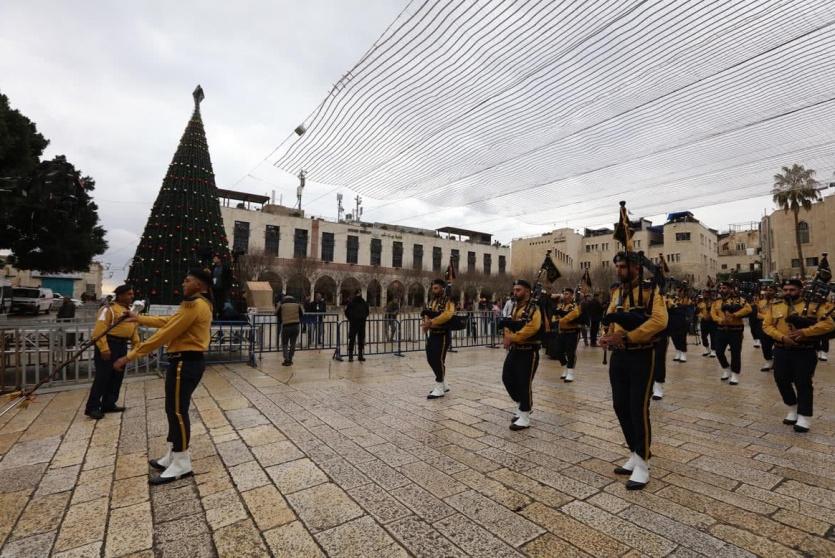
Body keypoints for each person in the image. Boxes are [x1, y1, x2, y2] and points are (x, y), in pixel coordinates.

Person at [113, 270, 213, 484]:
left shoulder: (196, 305)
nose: (183, 283)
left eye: (187, 280)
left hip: (186, 362)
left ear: (199, 284)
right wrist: (137, 318)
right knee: (172, 409)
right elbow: (168, 321)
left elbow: (165, 334)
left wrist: (128, 357)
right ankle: (172, 454)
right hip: (182, 362)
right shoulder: (193, 304)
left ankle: (182, 462)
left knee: (177, 411)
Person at [599, 252, 668, 490]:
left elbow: (659, 321)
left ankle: (643, 464)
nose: (619, 270)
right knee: (620, 405)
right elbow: (609, 317)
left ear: (637, 268)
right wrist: (606, 335)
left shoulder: (651, 291)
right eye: (617, 266)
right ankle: (635, 453)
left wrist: (628, 336)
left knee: (638, 407)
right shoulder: (617, 291)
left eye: (623, 266)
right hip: (619, 355)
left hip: (641, 353)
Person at [761, 279, 834, 432]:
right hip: (781, 349)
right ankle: (792, 407)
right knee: (781, 380)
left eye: (792, 289)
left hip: (804, 351)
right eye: (786, 289)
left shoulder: (813, 306)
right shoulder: (776, 305)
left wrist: (805, 332)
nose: (788, 292)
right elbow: (767, 325)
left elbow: (829, 324)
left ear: (800, 290)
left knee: (803, 383)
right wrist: (781, 337)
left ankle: (804, 417)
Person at [85, 285, 140, 420]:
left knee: (117, 376)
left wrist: (136, 345)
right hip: (109, 345)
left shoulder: (130, 311)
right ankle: (92, 407)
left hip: (121, 346)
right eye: (128, 294)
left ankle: (109, 403)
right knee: (103, 377)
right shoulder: (108, 309)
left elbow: (133, 329)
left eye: (132, 294)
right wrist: (104, 348)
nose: (131, 296)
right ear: (119, 295)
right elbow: (99, 330)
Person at [501, 279, 542, 430]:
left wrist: (512, 337)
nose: (515, 292)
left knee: (524, 383)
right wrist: (507, 334)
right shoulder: (516, 307)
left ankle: (525, 415)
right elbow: (509, 324)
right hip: (515, 349)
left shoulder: (534, 309)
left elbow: (532, 328)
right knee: (507, 378)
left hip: (528, 351)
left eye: (519, 290)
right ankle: (522, 404)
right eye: (515, 290)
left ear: (527, 291)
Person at [710, 281, 752, 385]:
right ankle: (726, 368)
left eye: (724, 288)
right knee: (718, 352)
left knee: (735, 353)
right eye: (721, 288)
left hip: (735, 330)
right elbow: (713, 313)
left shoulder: (738, 299)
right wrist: (719, 320)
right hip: (721, 330)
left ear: (730, 289)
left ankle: (735, 374)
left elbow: (748, 309)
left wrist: (735, 315)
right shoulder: (717, 301)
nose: (722, 290)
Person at [422, 279, 455, 398]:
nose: (433, 290)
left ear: (442, 288)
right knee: (431, 358)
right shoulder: (432, 300)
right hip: (432, 334)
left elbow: (447, 315)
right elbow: (426, 312)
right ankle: (444, 383)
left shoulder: (448, 300)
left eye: (436, 288)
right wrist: (426, 322)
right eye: (433, 288)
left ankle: (440, 386)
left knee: (438, 359)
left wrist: (431, 322)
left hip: (443, 334)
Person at [555, 288, 582, 382]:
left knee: (570, 352)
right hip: (562, 332)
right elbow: (555, 316)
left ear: (571, 295)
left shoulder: (575, 305)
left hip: (572, 332)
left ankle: (570, 372)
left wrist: (561, 317)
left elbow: (573, 316)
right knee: (558, 351)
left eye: (567, 294)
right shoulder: (561, 305)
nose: (564, 296)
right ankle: (565, 367)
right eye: (564, 293)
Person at [276, 294, 303, 366]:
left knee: (285, 344)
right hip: (296, 325)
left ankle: (286, 359)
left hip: (286, 326)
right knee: (293, 343)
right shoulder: (297, 304)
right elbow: (302, 313)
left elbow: (276, 313)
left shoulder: (282, 304)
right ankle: (290, 358)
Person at [345, 290, 369, 362]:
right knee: (356, 340)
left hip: (356, 323)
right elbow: (367, 312)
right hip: (359, 323)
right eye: (359, 293)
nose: (360, 294)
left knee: (357, 340)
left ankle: (355, 356)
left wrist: (351, 319)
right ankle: (355, 356)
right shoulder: (358, 302)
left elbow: (347, 312)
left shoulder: (355, 302)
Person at [757, 285, 777, 371]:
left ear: (775, 292)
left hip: (776, 327)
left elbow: (778, 315)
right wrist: (768, 318)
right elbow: (757, 314)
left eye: (771, 290)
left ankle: (776, 361)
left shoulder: (779, 302)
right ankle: (769, 361)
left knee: (777, 345)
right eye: (767, 290)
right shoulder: (761, 302)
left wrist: (765, 317)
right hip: (764, 327)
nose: (768, 292)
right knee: (765, 345)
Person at [210, 254, 232, 319]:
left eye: (215, 258)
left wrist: (227, 287)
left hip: (222, 288)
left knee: (221, 303)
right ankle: (214, 316)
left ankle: (221, 316)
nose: (214, 260)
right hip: (214, 288)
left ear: (219, 259)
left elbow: (229, 278)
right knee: (214, 303)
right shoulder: (213, 268)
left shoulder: (225, 267)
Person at [697, 292, 716, 357]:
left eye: (707, 293)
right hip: (704, 321)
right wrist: (703, 316)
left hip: (713, 322)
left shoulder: (714, 303)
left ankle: (713, 350)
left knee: (713, 336)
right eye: (705, 293)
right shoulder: (701, 303)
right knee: (703, 336)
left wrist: (712, 316)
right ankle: (707, 349)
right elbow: (698, 312)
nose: (706, 295)